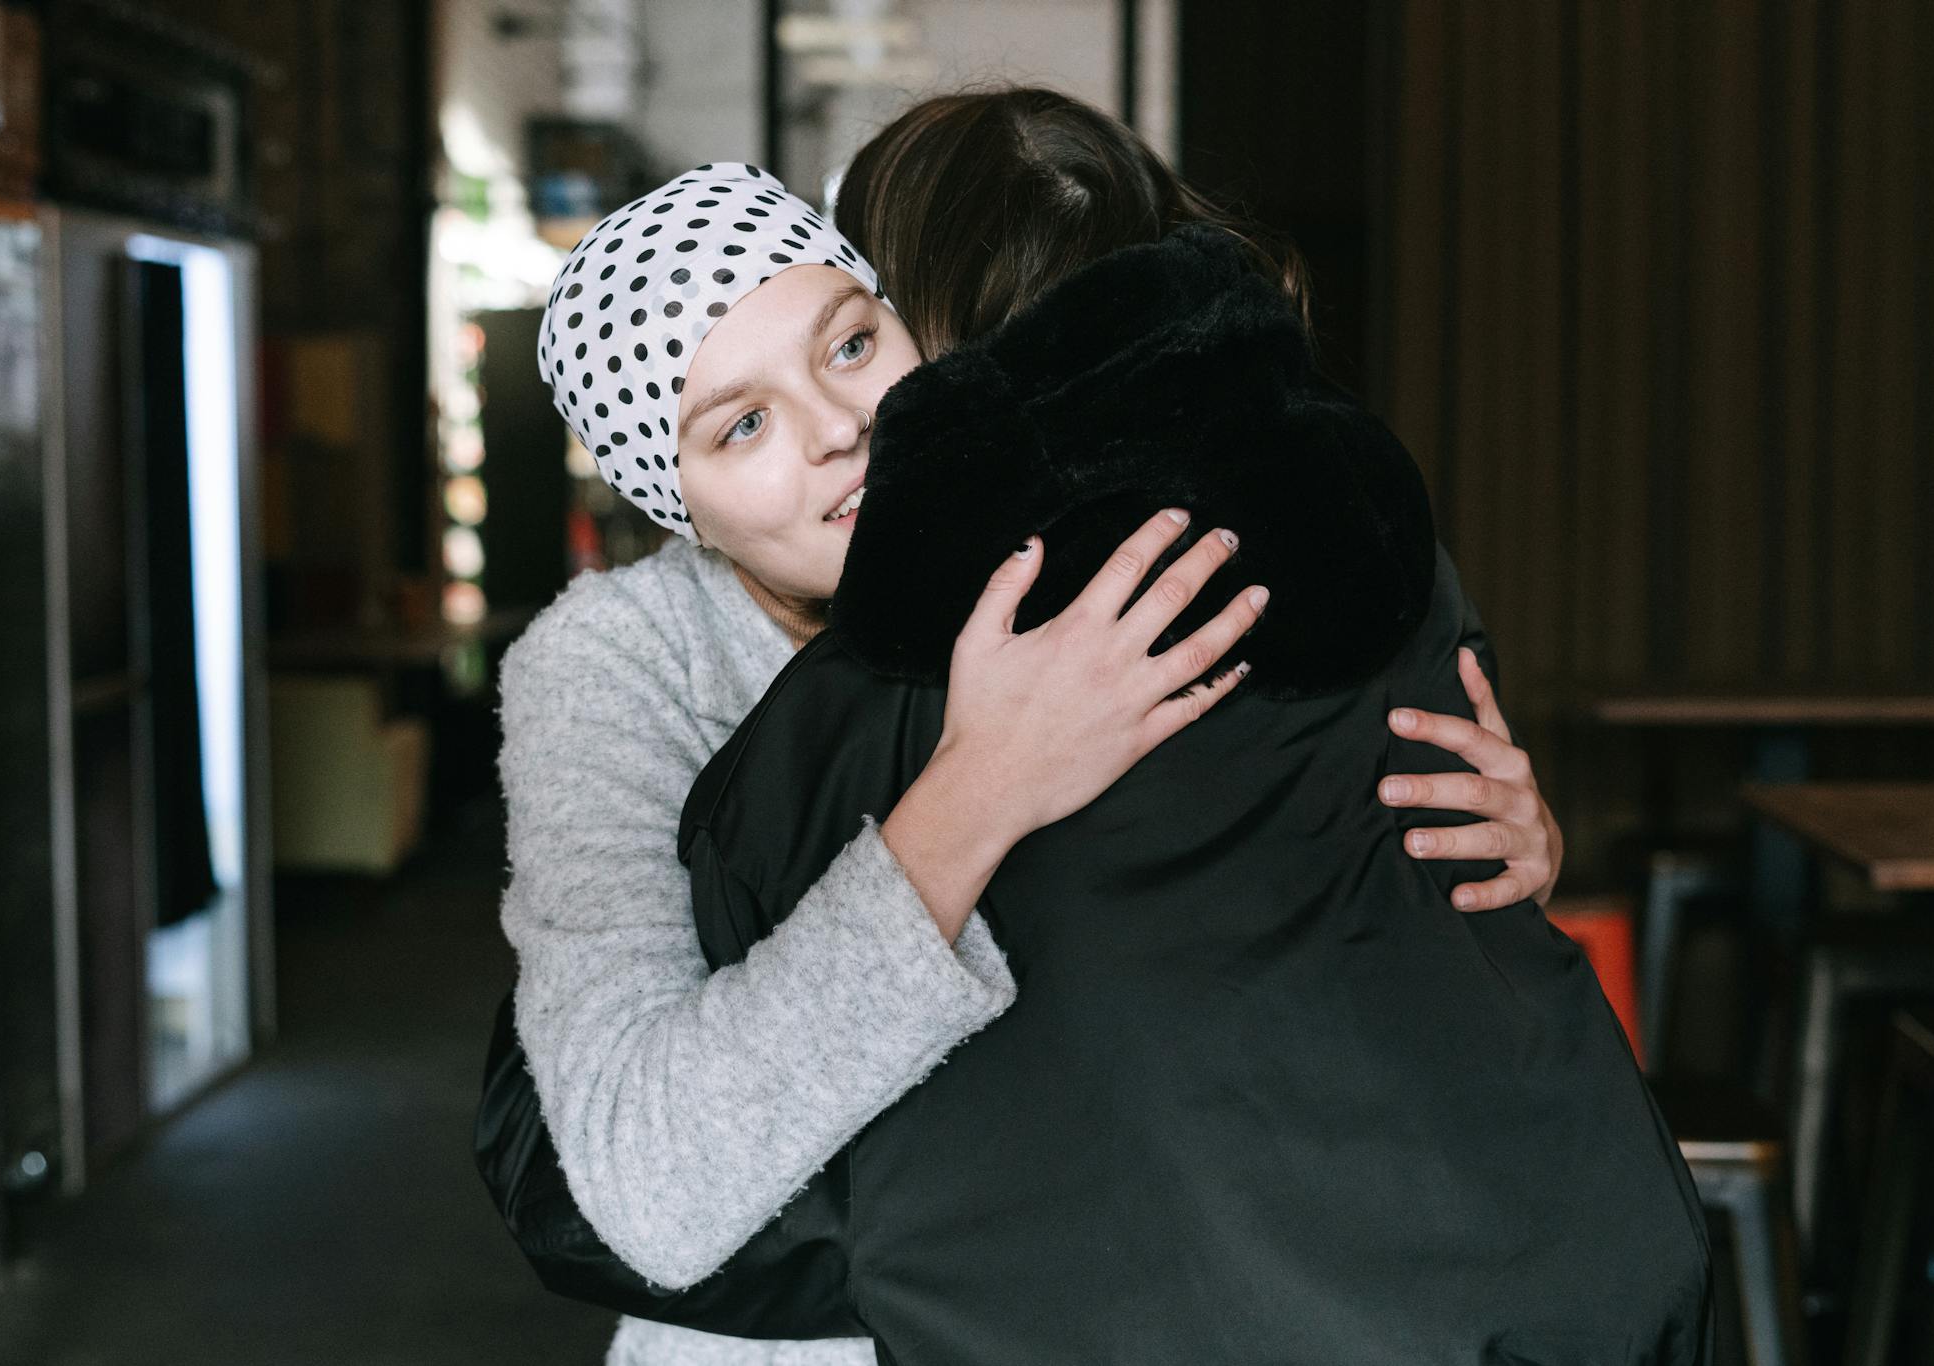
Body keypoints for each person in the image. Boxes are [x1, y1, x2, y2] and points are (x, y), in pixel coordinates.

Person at [633, 101, 1710, 1362]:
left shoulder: (852, 713)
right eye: (745, 423)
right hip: (1571, 1265)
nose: (838, 422)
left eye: (856, 341)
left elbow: (638, 1185)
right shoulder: (1377, 526)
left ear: (922, 337)